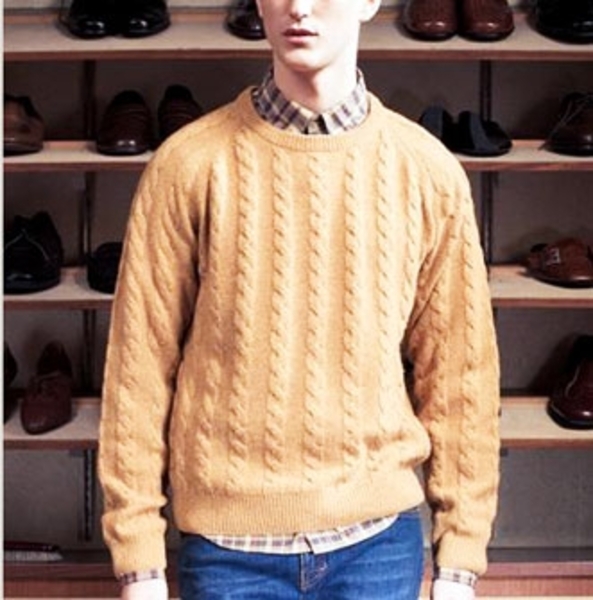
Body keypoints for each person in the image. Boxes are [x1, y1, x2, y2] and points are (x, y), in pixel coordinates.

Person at [98, 0, 501, 599]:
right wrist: (139, 564)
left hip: (377, 546)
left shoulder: (426, 171)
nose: (300, 8)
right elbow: (139, 370)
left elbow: (461, 376)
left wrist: (460, 559)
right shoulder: (188, 166)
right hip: (229, 551)